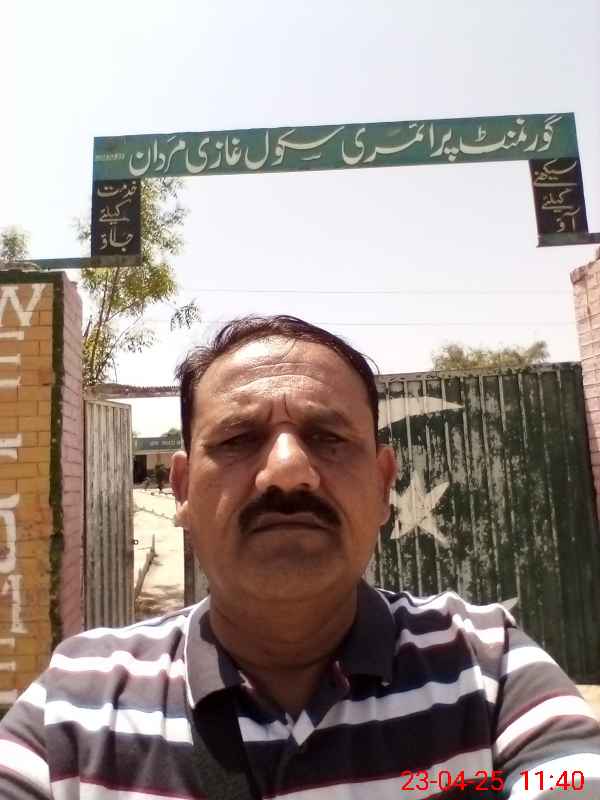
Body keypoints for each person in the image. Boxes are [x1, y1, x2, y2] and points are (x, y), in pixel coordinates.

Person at [1, 314, 599, 800]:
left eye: (328, 438)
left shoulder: (488, 667)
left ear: (383, 485)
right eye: (238, 439)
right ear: (181, 490)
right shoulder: (77, 704)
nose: (288, 471)